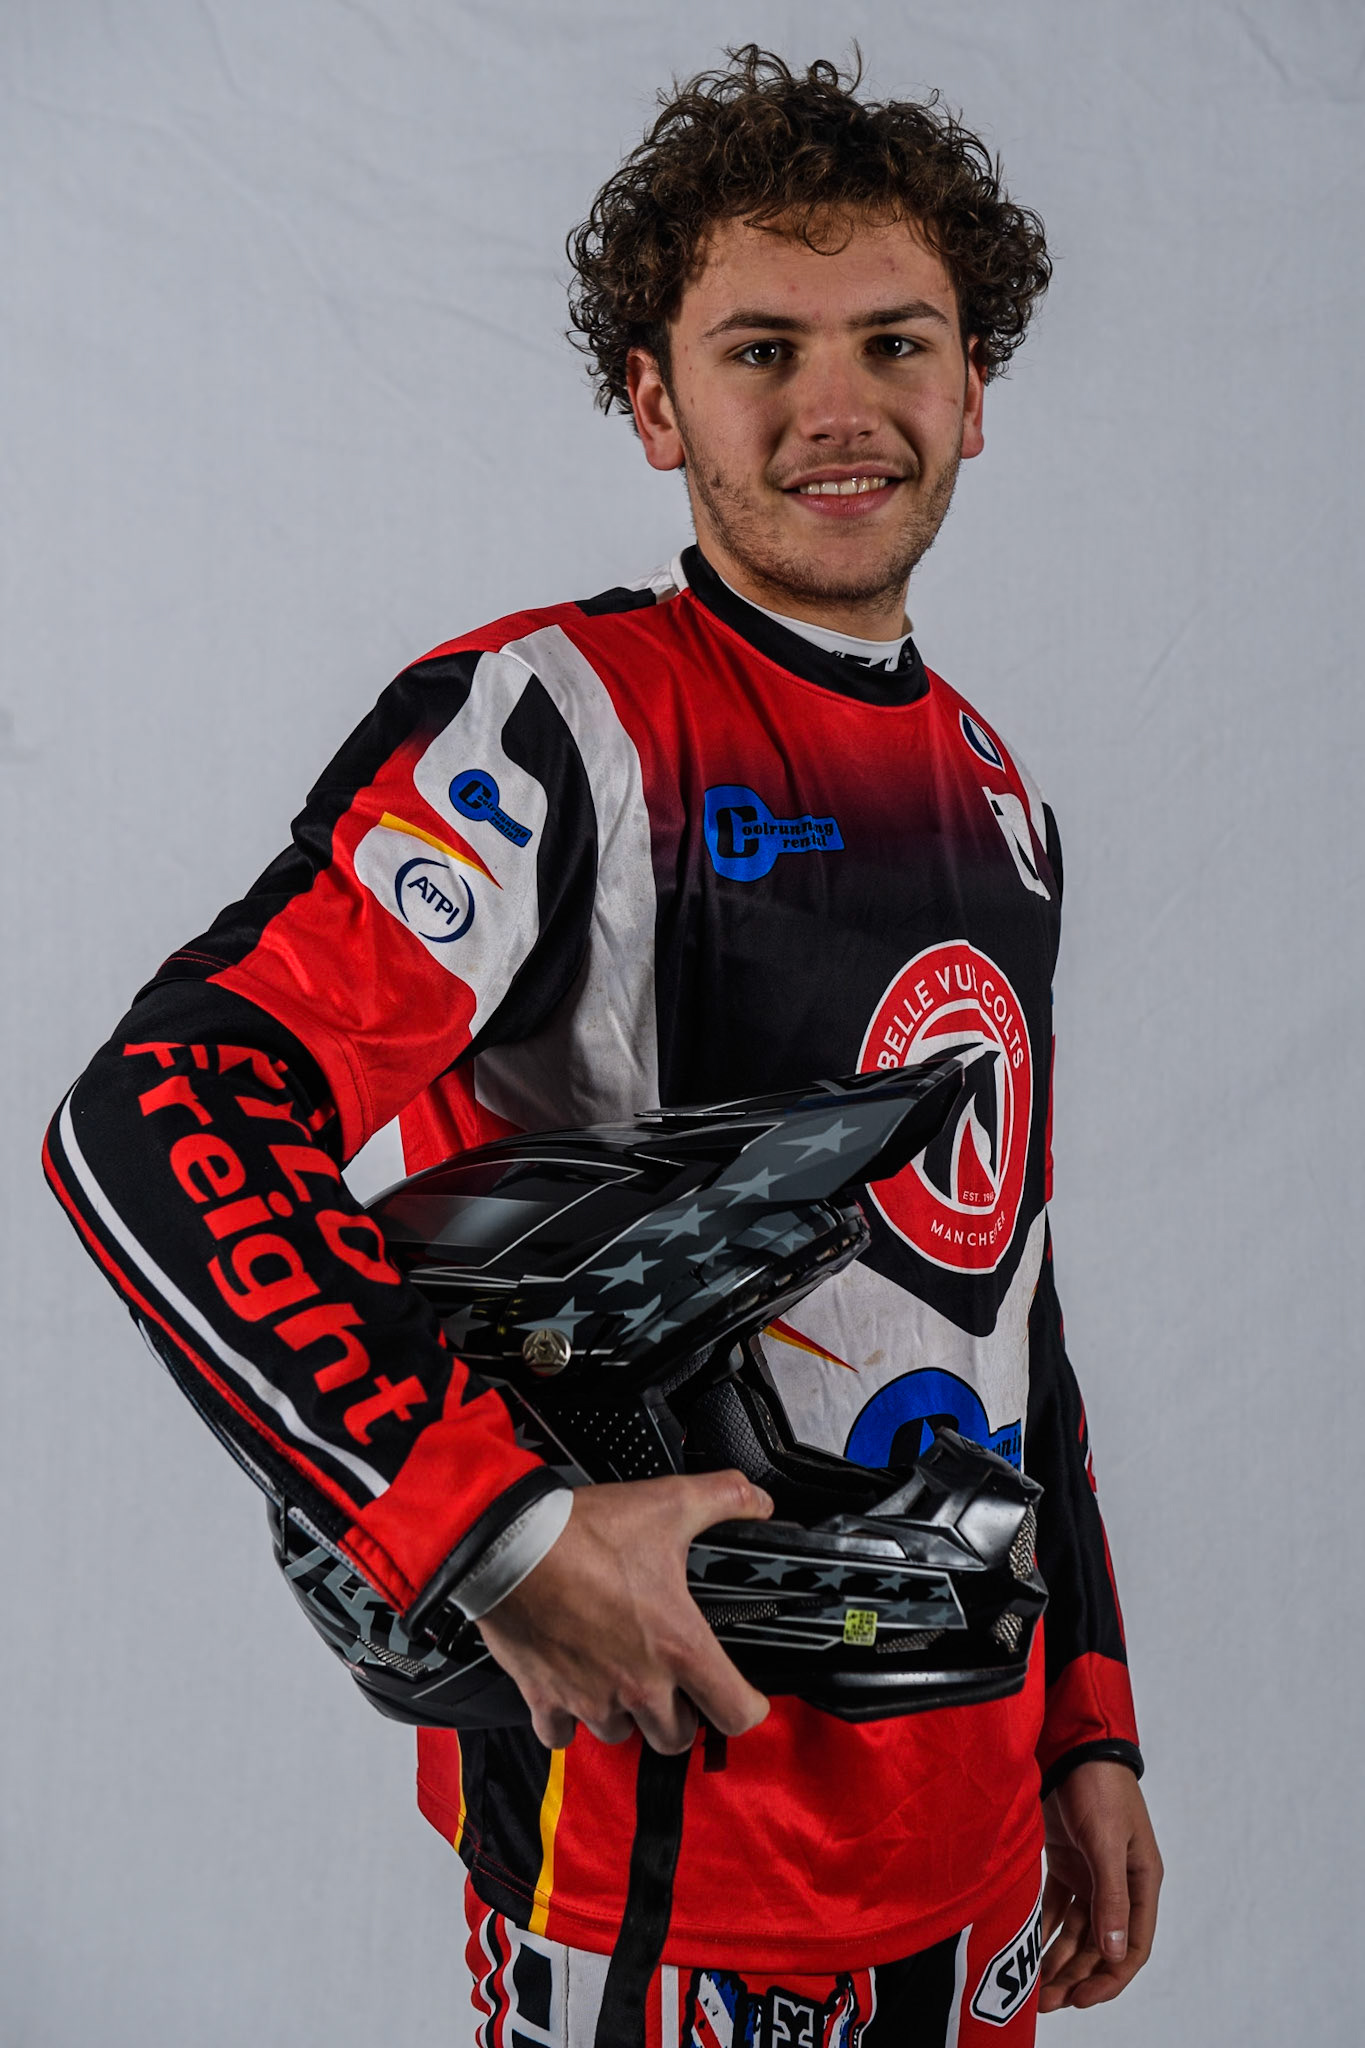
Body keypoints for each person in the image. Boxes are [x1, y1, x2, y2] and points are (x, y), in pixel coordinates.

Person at [44, 46, 1162, 2047]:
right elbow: (164, 1110)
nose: (837, 404)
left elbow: (1003, 1286)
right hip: (660, 1871)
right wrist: (488, 1527)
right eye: (759, 347)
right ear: (653, 401)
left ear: (971, 386)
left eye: (893, 339)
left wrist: (1086, 1717)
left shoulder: (1002, 793)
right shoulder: (558, 723)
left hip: (975, 1848)